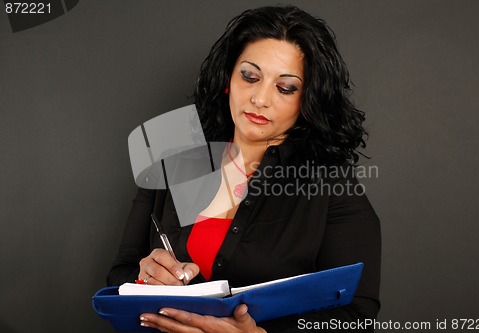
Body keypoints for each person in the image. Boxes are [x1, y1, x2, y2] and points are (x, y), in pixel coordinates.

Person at [107, 5, 381, 332]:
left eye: (285, 88)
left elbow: (357, 314)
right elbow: (119, 275)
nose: (260, 99)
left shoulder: (331, 187)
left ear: (306, 102)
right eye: (250, 76)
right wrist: (144, 276)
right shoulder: (172, 163)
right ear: (228, 79)